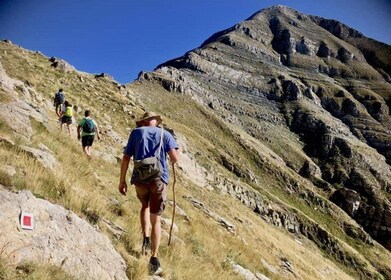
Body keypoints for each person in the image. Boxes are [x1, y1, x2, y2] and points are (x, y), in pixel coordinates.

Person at [119, 112, 179, 275]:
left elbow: (126, 158)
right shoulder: (164, 134)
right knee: (156, 217)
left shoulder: (136, 133)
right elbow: (175, 158)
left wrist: (122, 180)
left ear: (144, 122)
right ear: (155, 122)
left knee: (144, 206)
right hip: (158, 179)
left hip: (139, 178)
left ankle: (145, 238)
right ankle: (154, 257)